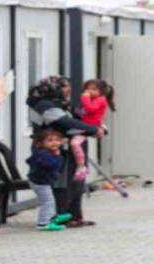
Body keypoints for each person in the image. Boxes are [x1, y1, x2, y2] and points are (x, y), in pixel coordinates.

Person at [26, 75, 103, 227]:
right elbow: (65, 123)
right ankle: (62, 215)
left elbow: (74, 121)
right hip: (50, 151)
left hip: (63, 148)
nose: (69, 89)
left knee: (76, 183)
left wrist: (94, 128)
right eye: (65, 86)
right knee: (62, 183)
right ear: (54, 88)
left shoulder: (57, 103)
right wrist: (93, 130)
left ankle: (74, 216)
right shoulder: (44, 105)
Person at [25, 129, 71, 232]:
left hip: (42, 181)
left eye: (57, 140)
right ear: (40, 143)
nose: (54, 143)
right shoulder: (43, 154)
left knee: (50, 200)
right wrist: (57, 156)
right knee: (47, 202)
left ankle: (52, 217)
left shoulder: (44, 152)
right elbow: (53, 165)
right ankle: (43, 224)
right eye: (50, 141)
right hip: (40, 182)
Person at [69, 79, 115, 182]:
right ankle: (81, 167)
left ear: (102, 91)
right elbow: (86, 113)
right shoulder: (94, 99)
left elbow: (90, 109)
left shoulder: (101, 99)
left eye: (93, 89)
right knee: (73, 142)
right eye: (87, 89)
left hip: (90, 127)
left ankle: (81, 167)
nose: (89, 91)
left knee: (74, 143)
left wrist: (85, 98)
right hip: (87, 125)